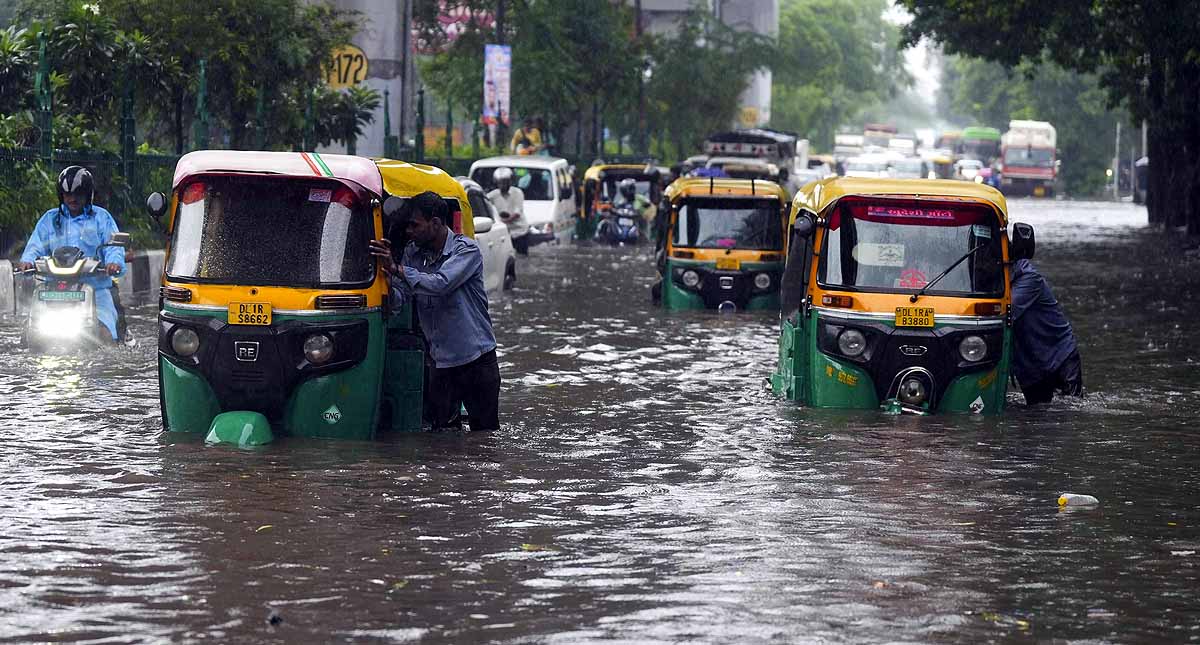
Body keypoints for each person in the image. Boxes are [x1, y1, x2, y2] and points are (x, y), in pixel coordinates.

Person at [368, 192, 500, 432]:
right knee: (442, 437)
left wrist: (397, 269)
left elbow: (440, 284)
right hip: (440, 362)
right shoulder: (412, 253)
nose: (409, 231)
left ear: (436, 223)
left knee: (485, 437)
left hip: (476, 361)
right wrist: (383, 282)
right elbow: (401, 297)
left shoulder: (466, 251)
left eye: (415, 225)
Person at [19, 166, 128, 343]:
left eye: (78, 193)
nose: (72, 198)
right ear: (61, 195)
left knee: (106, 334)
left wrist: (113, 263)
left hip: (95, 289)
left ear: (88, 195)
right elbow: (35, 245)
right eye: (67, 194)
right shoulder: (50, 219)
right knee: (29, 336)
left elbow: (113, 246)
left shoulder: (102, 218)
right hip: (53, 290)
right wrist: (27, 261)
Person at [1009, 223, 1083, 404]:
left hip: (1060, 355)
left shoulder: (1028, 278)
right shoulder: (980, 283)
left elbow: (1005, 312)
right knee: (1036, 418)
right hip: (1030, 368)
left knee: (1072, 410)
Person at [487, 167, 529, 255]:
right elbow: (485, 203)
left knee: (522, 256)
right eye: (500, 182)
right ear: (496, 183)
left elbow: (517, 214)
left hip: (519, 231)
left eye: (505, 182)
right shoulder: (493, 195)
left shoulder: (518, 193)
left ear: (510, 182)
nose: (503, 185)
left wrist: (502, 222)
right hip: (504, 233)